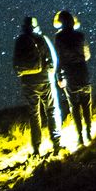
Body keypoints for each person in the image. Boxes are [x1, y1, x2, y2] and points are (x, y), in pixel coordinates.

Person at [12, 16, 63, 156]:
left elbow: (16, 64)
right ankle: (57, 144)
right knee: (52, 111)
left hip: (28, 83)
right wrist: (54, 75)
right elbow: (52, 60)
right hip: (45, 80)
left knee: (34, 115)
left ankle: (36, 149)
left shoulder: (20, 41)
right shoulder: (41, 39)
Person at [53, 10, 93, 144]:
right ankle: (89, 132)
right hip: (83, 71)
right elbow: (87, 55)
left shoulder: (59, 38)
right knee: (86, 104)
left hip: (70, 74)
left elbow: (58, 59)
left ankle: (80, 136)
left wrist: (59, 76)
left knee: (74, 106)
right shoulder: (80, 36)